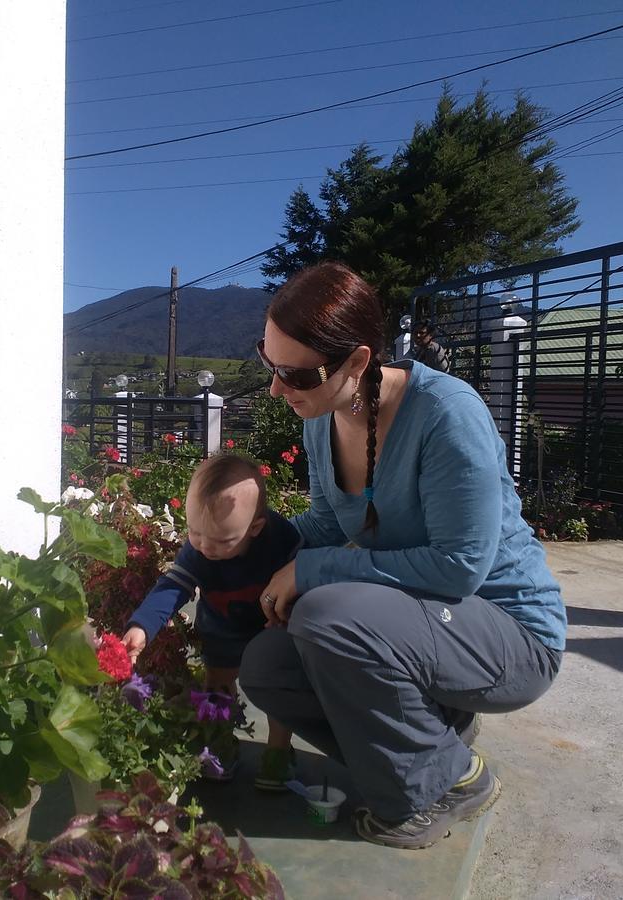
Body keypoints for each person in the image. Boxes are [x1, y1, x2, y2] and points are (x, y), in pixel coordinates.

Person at [241, 261, 565, 850]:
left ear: (359, 362)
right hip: (418, 629)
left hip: (509, 636)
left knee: (327, 616)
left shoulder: (445, 413)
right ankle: (441, 751)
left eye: (295, 374)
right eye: (269, 364)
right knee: (266, 665)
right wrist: (239, 545)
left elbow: (459, 566)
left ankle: (426, 792)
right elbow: (323, 524)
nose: (276, 389)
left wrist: (311, 570)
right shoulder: (323, 418)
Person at [122, 453, 303, 790]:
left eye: (222, 541)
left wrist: (289, 613)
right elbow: (173, 586)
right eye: (195, 533)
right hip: (221, 626)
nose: (207, 548)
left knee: (280, 690)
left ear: (255, 528)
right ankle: (219, 744)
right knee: (217, 687)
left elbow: (300, 580)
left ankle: (278, 753)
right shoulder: (199, 549)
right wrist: (142, 626)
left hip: (272, 626)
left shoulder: (281, 539)